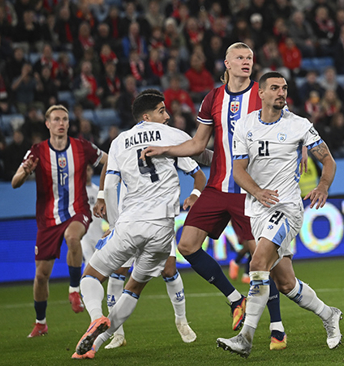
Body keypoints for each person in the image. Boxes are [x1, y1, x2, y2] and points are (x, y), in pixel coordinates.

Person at [142, 42, 288, 349]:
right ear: (227, 63)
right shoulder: (213, 98)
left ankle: (277, 327)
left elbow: (284, 129)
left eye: (250, 57)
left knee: (261, 260)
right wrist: (165, 150)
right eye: (240, 57)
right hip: (217, 187)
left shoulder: (262, 94)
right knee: (186, 245)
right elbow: (198, 144)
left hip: (250, 192)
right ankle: (235, 299)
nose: (246, 61)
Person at [71, 90, 205, 359]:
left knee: (91, 276)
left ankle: (96, 318)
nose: (167, 116)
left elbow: (111, 185)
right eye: (162, 111)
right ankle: (96, 344)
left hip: (131, 223)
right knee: (133, 288)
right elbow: (201, 152)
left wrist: (114, 224)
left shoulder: (119, 141)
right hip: (162, 229)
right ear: (147, 116)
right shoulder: (172, 136)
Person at [216, 72, 342, 358]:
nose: (281, 92)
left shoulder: (299, 125)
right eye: (274, 88)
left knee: (257, 263)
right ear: (260, 93)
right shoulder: (244, 125)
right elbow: (238, 171)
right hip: (258, 209)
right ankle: (329, 314)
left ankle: (245, 338)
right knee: (286, 283)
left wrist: (323, 185)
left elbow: (328, 160)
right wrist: (258, 192)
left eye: (284, 88)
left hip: (286, 208)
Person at [11, 105, 107, 338]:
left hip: (78, 210)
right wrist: (25, 172)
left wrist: (102, 194)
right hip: (48, 219)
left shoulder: (82, 147)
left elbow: (109, 162)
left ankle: (74, 290)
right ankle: (40, 323)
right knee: (41, 275)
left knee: (72, 237)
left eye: (64, 119)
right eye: (56, 119)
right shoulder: (37, 151)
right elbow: (15, 182)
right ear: (48, 124)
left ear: (68, 123)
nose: (61, 123)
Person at [80, 164, 104, 264]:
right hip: (83, 234)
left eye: (88, 169)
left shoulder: (98, 192)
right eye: (84, 170)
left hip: (98, 232)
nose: (86, 172)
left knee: (100, 263)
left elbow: (105, 211)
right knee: (88, 261)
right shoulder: (78, 192)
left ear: (92, 171)